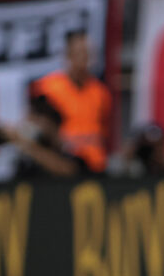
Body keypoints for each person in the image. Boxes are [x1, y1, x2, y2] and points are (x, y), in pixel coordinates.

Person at [31, 30, 112, 173]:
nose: (85, 58)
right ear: (68, 55)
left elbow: (105, 129)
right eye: (79, 53)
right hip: (61, 165)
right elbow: (37, 124)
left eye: (88, 53)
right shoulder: (48, 88)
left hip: (95, 165)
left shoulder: (100, 92)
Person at [0, 95, 90, 177]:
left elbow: (68, 171)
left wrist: (24, 143)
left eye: (35, 120)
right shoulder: (26, 159)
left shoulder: (72, 151)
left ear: (49, 122)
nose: (30, 125)